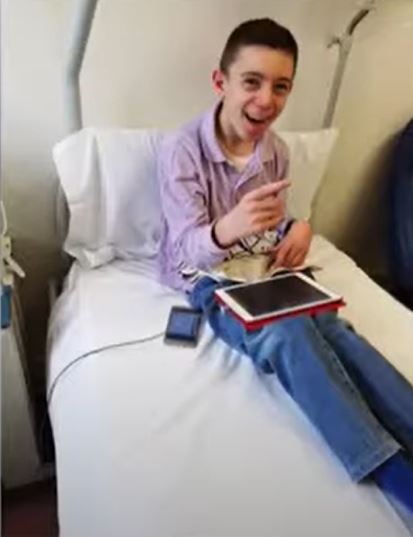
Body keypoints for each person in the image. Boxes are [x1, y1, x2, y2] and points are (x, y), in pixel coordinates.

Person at [157, 18, 413, 513]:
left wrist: (297, 229)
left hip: (267, 270)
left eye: (281, 86)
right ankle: (388, 467)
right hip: (209, 277)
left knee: (335, 331)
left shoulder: (274, 151)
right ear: (221, 82)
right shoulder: (181, 151)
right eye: (252, 82)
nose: (266, 100)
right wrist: (228, 228)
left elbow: (275, 220)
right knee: (285, 334)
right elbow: (188, 249)